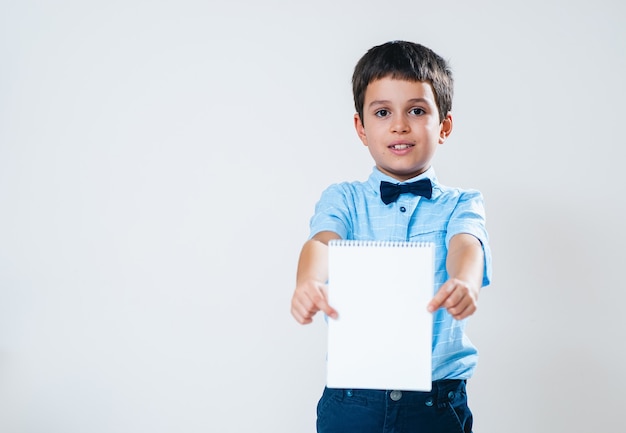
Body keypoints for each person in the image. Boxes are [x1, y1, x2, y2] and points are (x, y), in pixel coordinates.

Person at [290, 40, 492, 433]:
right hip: (353, 400)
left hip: (435, 404)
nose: (400, 124)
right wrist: (308, 281)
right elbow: (321, 241)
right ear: (361, 128)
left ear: (444, 125)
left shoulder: (462, 203)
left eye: (417, 111)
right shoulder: (343, 199)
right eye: (383, 112)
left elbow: (466, 243)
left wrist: (464, 280)